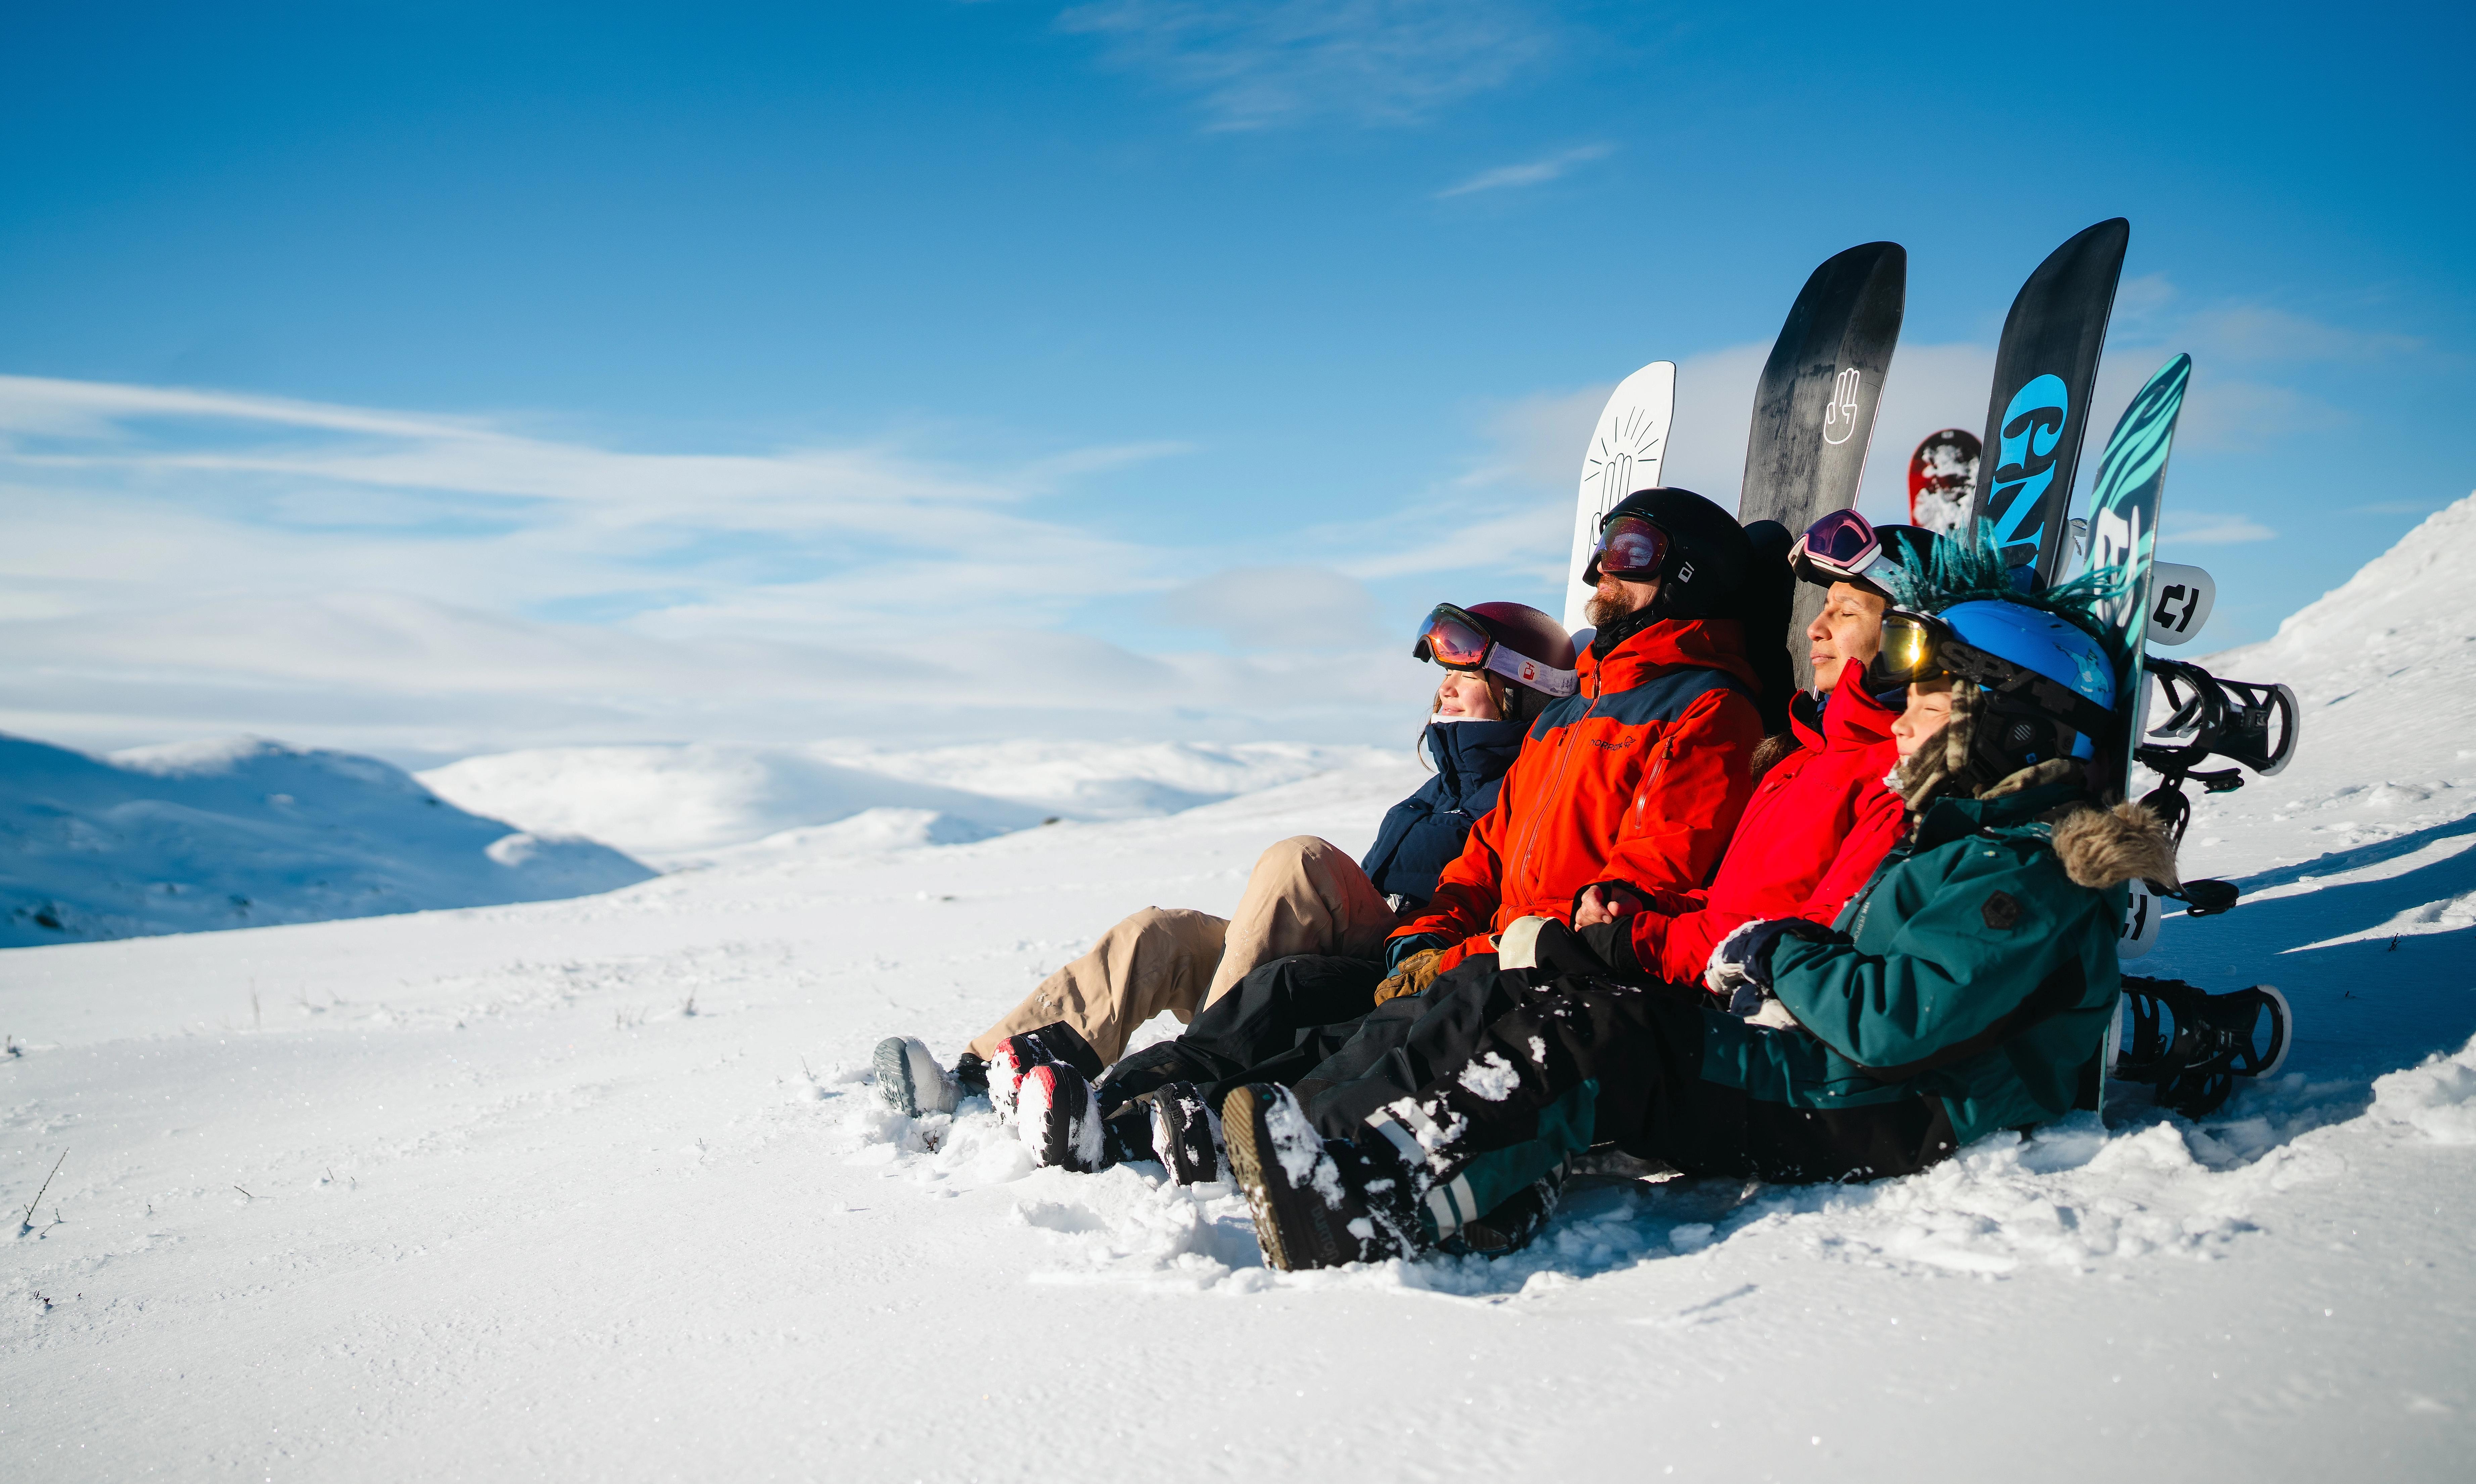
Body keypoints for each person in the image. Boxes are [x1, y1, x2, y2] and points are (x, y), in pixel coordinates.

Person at [1221, 532, 2186, 1271]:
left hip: (1882, 1104)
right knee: (1558, 1003)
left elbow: (1895, 1022)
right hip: (1834, 1067)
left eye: (1930, 710)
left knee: (1594, 1038)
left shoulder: (2027, 873)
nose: (1905, 730)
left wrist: (1777, 955)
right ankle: (1396, 1163)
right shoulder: (1962, 840)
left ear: (2013, 730)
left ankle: (1371, 1203)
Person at [868, 602, 1579, 1159]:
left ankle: (1179, 1086)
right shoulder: (1428, 796)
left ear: (1522, 688)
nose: (1444, 687)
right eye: (1443, 672)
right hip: (1337, 962)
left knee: (1300, 860)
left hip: (1405, 980)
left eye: (1467, 673)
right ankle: (985, 1079)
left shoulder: (1534, 791)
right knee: (1163, 934)